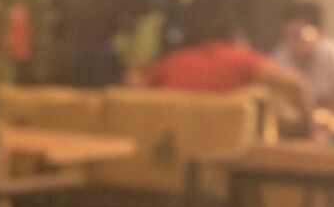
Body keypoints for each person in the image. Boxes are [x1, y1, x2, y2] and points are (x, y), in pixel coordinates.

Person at [130, 20, 315, 131]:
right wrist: (309, 130)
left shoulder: (176, 60)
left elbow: (134, 83)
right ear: (238, 40)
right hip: (225, 159)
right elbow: (298, 85)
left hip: (170, 150)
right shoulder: (242, 58)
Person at [271, 0, 334, 116]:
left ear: (318, 31)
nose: (291, 43)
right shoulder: (281, 55)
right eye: (287, 36)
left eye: (297, 35)